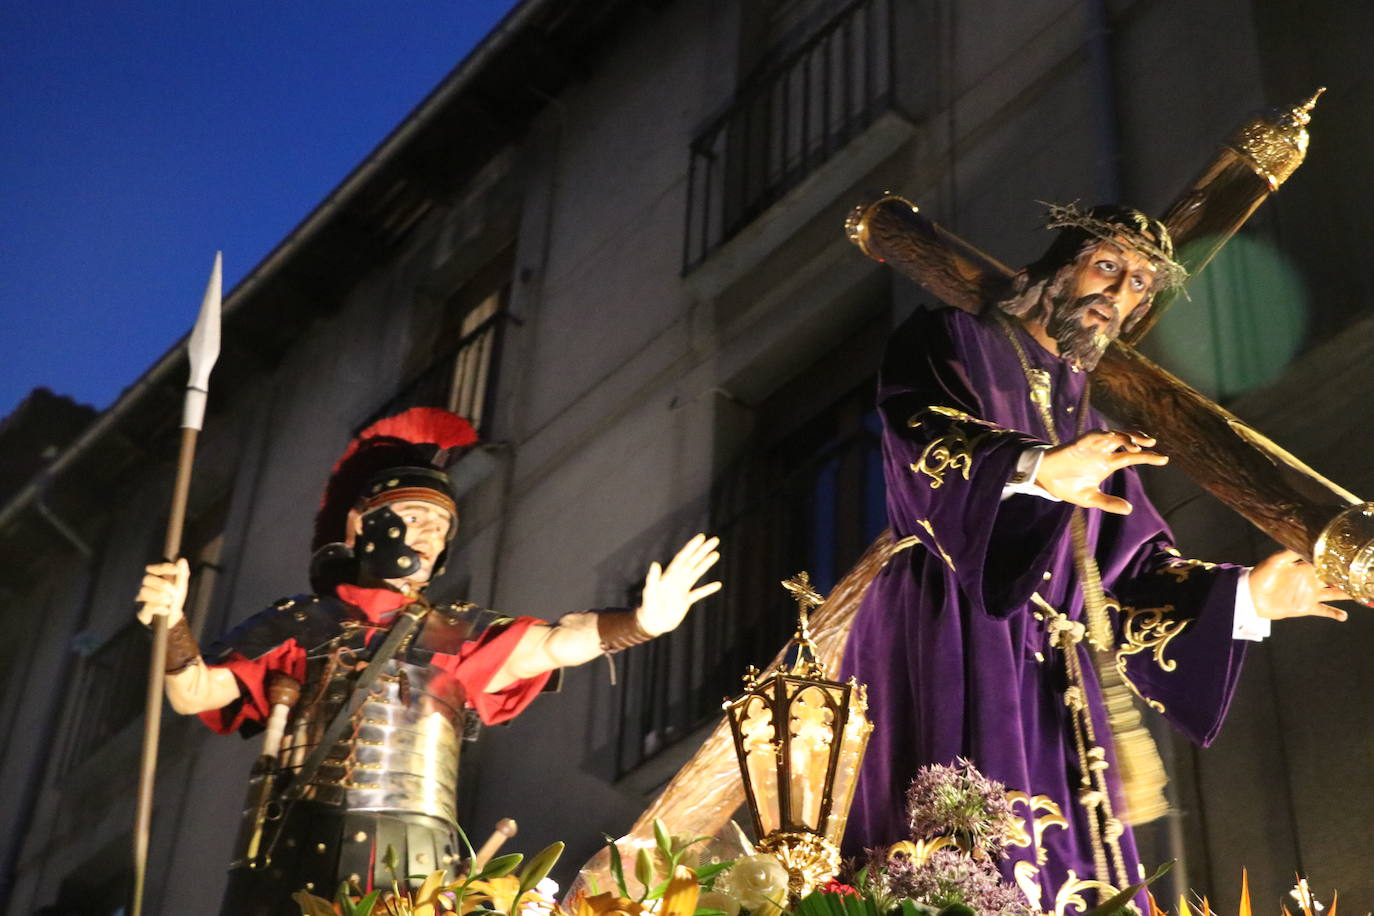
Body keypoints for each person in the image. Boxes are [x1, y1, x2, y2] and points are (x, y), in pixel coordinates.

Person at [837, 204, 1349, 910]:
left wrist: (1249, 598)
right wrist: (1036, 469)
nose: (1120, 293)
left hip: (1055, 673)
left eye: (1140, 283)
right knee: (961, 852)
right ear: (1058, 266)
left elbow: (1129, 578)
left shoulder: (1092, 420)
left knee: (1066, 870)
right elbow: (920, 428)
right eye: (1108, 266)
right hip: (953, 623)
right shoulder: (950, 337)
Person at [135, 407, 722, 914]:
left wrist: (641, 624)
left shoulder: (456, 631)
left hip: (419, 858)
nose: (427, 537)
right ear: (361, 525)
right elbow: (192, 693)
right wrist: (174, 623)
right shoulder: (297, 622)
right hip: (299, 847)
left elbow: (555, 642)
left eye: (440, 526)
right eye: (414, 518)